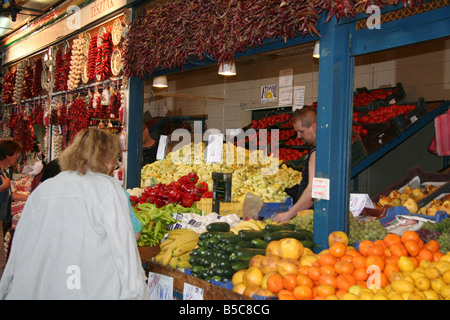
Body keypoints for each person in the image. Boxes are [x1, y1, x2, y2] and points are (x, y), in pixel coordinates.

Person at [0, 129, 149, 300]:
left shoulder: (45, 189)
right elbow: (127, 243)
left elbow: (20, 243)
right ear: (108, 160)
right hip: (90, 287)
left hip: (41, 286)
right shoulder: (109, 189)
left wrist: (6, 287)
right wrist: (136, 291)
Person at [273, 108, 317, 223]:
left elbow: (312, 191)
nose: (298, 136)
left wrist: (288, 214)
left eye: (301, 131)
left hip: (310, 218)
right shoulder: (323, 149)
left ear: (313, 127)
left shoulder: (316, 154)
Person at [0, 140, 29, 237]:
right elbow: (5, 188)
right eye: (16, 154)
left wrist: (31, 196)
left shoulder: (5, 173)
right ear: (8, 155)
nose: (17, 157)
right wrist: (3, 186)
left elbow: (12, 194)